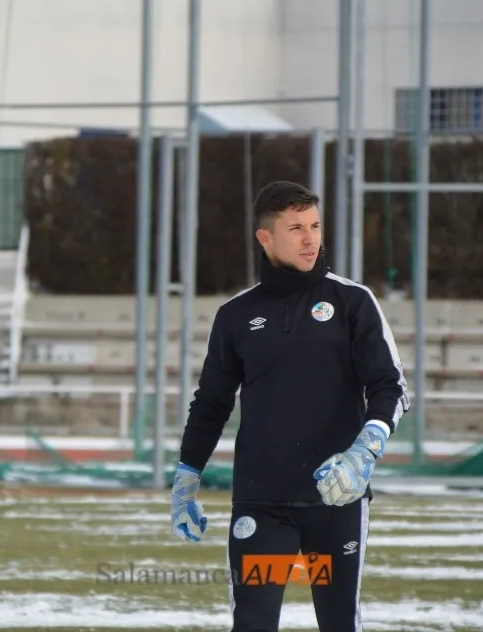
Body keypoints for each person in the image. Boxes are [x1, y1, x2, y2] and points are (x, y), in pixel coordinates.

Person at [169, 180, 410, 631]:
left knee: (339, 625)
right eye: (296, 228)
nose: (310, 239)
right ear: (265, 237)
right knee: (254, 624)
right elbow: (210, 405)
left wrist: (365, 450)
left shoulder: (353, 302)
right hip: (262, 505)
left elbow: (391, 386)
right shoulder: (236, 315)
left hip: (337, 502)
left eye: (315, 226)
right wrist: (187, 478)